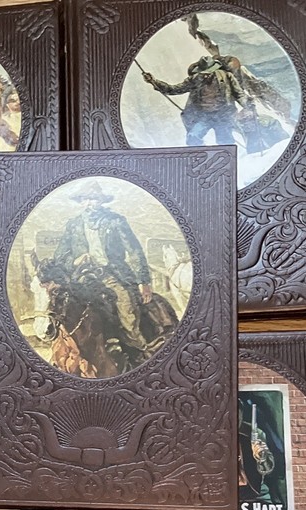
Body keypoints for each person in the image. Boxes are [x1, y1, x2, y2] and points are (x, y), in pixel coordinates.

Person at [53, 181, 156, 368]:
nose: (90, 203)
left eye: (94, 199)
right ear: (80, 202)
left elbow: (134, 251)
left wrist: (144, 281)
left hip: (112, 274)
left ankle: (137, 348)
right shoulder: (73, 225)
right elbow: (59, 258)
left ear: (101, 201)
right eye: (86, 199)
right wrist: (75, 261)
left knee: (125, 304)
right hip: (82, 276)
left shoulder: (116, 221)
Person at [142, 55, 256, 147]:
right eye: (203, 73)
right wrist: (154, 81)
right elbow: (174, 89)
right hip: (204, 117)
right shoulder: (195, 79)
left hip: (222, 116)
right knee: (193, 137)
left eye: (209, 72)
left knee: (225, 143)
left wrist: (248, 105)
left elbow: (239, 94)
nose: (206, 75)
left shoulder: (227, 77)